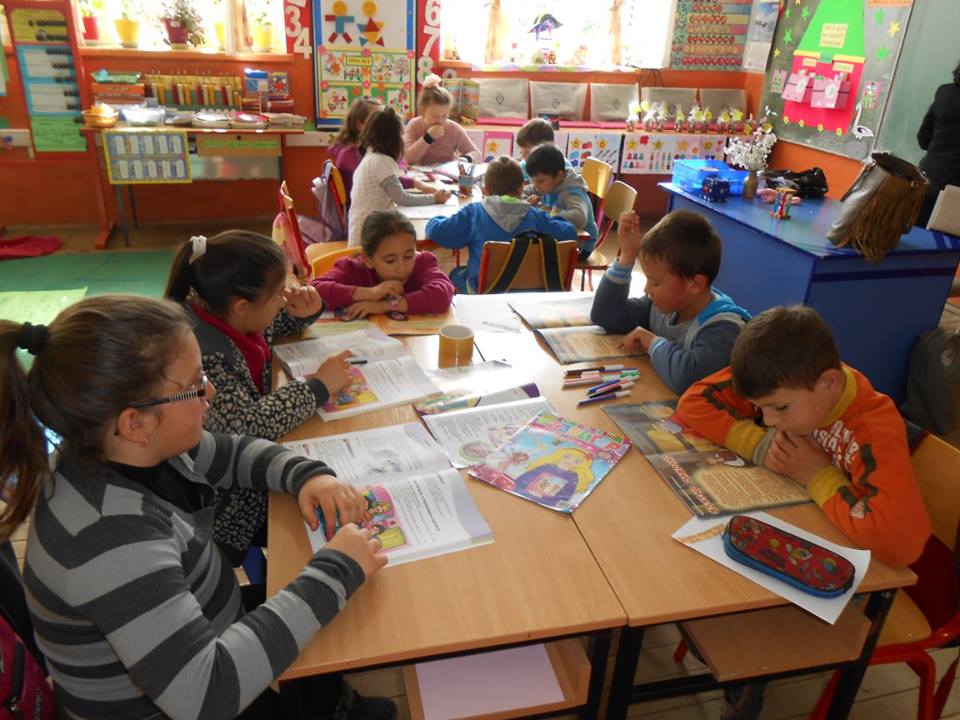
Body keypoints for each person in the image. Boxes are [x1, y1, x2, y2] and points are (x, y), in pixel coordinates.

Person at [0, 296, 392, 719]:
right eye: (195, 383)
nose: (211, 391)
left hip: (204, 632)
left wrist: (309, 476)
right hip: (183, 699)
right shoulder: (107, 538)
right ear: (136, 422)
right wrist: (335, 570)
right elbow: (208, 694)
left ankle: (327, 705)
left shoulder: (127, 445)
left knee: (317, 600)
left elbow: (233, 453)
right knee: (326, 589)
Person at [676, 305, 932, 568]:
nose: (768, 420)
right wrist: (760, 445)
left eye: (780, 408)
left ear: (830, 384)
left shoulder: (873, 428)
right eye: (759, 408)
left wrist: (817, 475)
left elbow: (900, 544)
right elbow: (693, 402)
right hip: (803, 520)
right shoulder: (786, 376)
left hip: (849, 562)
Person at [165, 231, 352, 566]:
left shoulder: (220, 308)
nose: (285, 299)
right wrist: (318, 387)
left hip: (254, 472)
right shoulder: (204, 355)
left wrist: (304, 311)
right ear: (241, 306)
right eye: (279, 295)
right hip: (231, 507)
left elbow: (269, 323)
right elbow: (247, 426)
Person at [590, 210, 751, 394]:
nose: (646, 290)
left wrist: (651, 341)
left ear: (695, 284)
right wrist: (627, 257)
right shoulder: (665, 307)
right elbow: (607, 315)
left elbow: (687, 378)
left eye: (655, 283)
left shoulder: (723, 328)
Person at [425, 155, 578, 293]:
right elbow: (570, 233)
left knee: (456, 274)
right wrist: (555, 217)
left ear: (485, 190)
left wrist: (434, 219)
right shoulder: (536, 216)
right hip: (529, 294)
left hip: (484, 291)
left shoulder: (474, 213)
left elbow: (438, 232)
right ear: (521, 188)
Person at [313, 210, 454, 320]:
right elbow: (314, 290)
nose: (402, 268)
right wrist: (370, 293)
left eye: (408, 256)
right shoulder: (353, 269)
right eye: (390, 260)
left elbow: (443, 294)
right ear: (368, 260)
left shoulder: (423, 263)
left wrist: (384, 306)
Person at [349, 106, 451, 248]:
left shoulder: (372, 155)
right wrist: (435, 199)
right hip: (368, 241)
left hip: (365, 233)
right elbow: (402, 198)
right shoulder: (381, 161)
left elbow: (394, 187)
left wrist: (419, 186)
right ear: (394, 138)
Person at [524, 143, 598, 259]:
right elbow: (527, 190)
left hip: (580, 245)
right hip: (562, 237)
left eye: (540, 181)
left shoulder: (571, 193)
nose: (536, 186)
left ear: (559, 175)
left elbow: (580, 217)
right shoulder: (549, 183)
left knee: (530, 251)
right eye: (533, 181)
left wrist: (549, 214)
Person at [917, 60, 960, 227]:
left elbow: (923, 139)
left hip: (928, 177)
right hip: (955, 194)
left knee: (913, 232)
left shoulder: (944, 92)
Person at [403, 73, 480, 166]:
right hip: (419, 173)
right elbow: (408, 158)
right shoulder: (414, 125)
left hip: (446, 173)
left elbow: (476, 153)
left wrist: (466, 159)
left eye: (444, 115)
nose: (440, 120)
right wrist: (427, 138)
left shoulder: (453, 128)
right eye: (435, 116)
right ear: (423, 110)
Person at [329, 95, 382, 202]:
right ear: (359, 125)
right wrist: (413, 182)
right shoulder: (348, 154)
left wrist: (400, 168)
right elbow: (379, 180)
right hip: (361, 208)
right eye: (376, 120)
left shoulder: (370, 146)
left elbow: (399, 160)